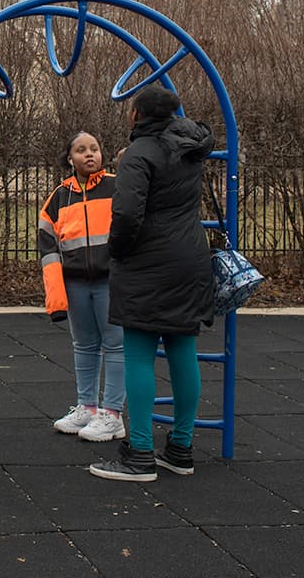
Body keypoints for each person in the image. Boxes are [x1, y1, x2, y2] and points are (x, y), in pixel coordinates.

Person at [89, 85, 215, 482]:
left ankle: (140, 452)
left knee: (139, 352)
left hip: (147, 259)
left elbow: (127, 213)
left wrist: (117, 251)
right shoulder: (190, 147)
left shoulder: (140, 153)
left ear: (138, 114)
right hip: (190, 255)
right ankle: (180, 447)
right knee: (182, 346)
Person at [39, 132, 125, 442]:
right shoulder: (61, 195)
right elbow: (47, 242)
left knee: (115, 343)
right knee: (84, 344)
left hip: (109, 278)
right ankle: (88, 406)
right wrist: (56, 292)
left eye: (94, 149)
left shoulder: (117, 186)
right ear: (69, 158)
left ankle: (113, 413)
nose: (89, 154)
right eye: (81, 150)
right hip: (76, 281)